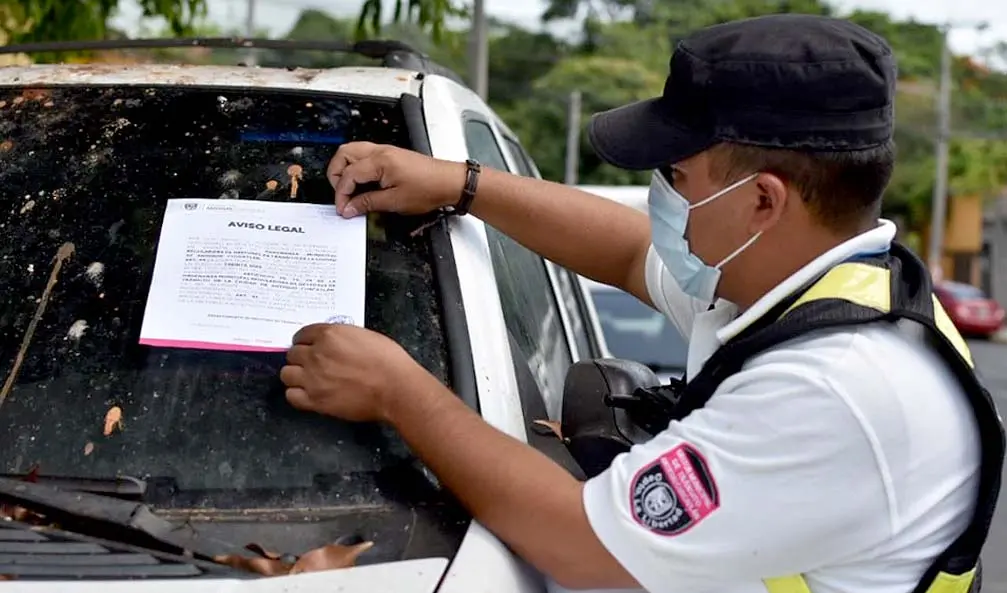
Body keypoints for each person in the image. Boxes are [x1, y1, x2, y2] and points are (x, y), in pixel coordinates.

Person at [279, 13, 1003, 593]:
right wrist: (461, 184)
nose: (662, 194)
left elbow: (583, 545)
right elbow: (629, 252)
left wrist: (400, 390)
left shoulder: (831, 386)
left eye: (675, 173)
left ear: (760, 200)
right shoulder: (812, 290)